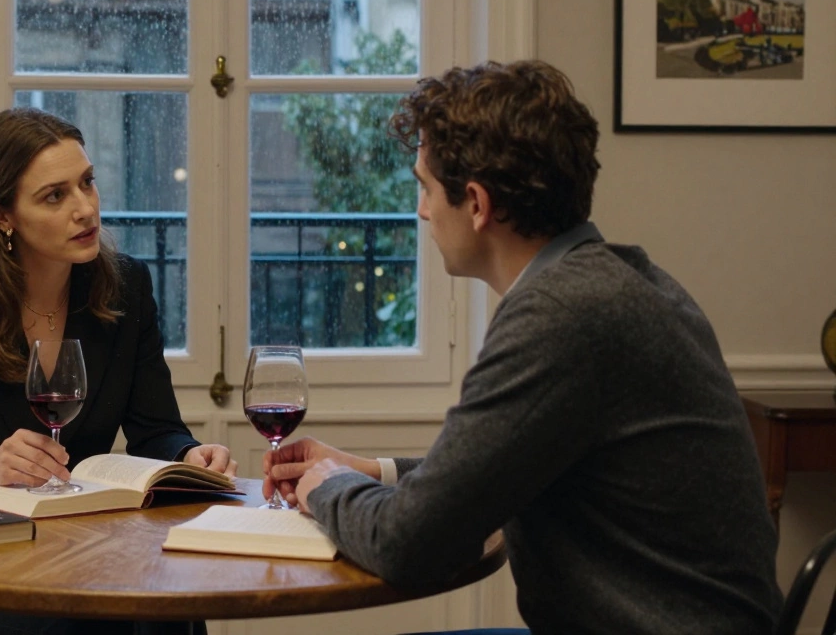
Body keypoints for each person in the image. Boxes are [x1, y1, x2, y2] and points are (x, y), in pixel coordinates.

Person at [262, 60, 782, 634]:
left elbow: (408, 545)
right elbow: (493, 472)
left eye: (427, 188)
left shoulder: (562, 315)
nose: (422, 210)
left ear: (478, 204)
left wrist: (327, 487)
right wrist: (370, 471)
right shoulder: (621, 283)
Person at [0, 107, 236, 635]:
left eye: (87, 183)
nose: (85, 209)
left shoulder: (126, 288)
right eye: (55, 196)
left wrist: (186, 455)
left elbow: (157, 428)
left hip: (88, 551)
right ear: (1, 215)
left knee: (169, 611)